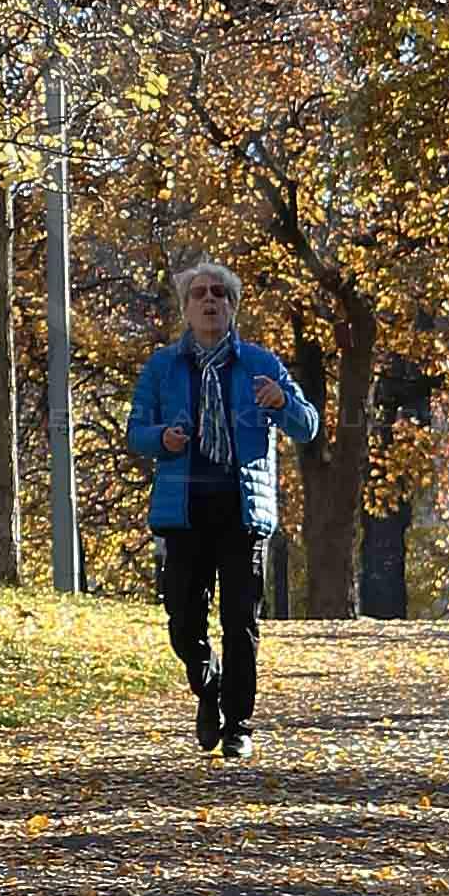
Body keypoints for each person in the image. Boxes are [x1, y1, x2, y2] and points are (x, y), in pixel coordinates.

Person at [125, 259, 318, 759]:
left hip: (241, 510)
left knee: (240, 620)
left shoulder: (261, 364)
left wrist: (282, 404)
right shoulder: (163, 367)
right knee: (184, 620)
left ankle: (239, 724)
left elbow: (308, 425)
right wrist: (161, 438)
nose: (209, 301)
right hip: (184, 510)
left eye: (220, 294)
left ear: (232, 307)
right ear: (186, 308)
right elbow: (136, 431)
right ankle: (206, 681)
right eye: (199, 294)